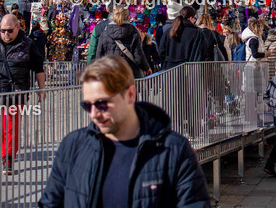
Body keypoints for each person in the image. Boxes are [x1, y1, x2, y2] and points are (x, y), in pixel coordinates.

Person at [38, 56, 209, 207]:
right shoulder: (73, 145)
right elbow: (50, 202)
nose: (94, 114)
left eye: (102, 103)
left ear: (130, 95)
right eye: (87, 106)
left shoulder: (173, 150)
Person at [0, 14, 45, 174]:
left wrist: (41, 89)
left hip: (16, 93)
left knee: (10, 128)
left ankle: (7, 159)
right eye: (2, 30)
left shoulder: (28, 44)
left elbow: (38, 67)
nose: (6, 34)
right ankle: (6, 147)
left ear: (18, 27)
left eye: (9, 31)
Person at [96, 7, 151, 77]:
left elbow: (99, 56)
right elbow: (138, 56)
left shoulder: (105, 32)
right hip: (130, 74)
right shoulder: (133, 32)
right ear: (128, 17)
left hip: (111, 74)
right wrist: (146, 68)